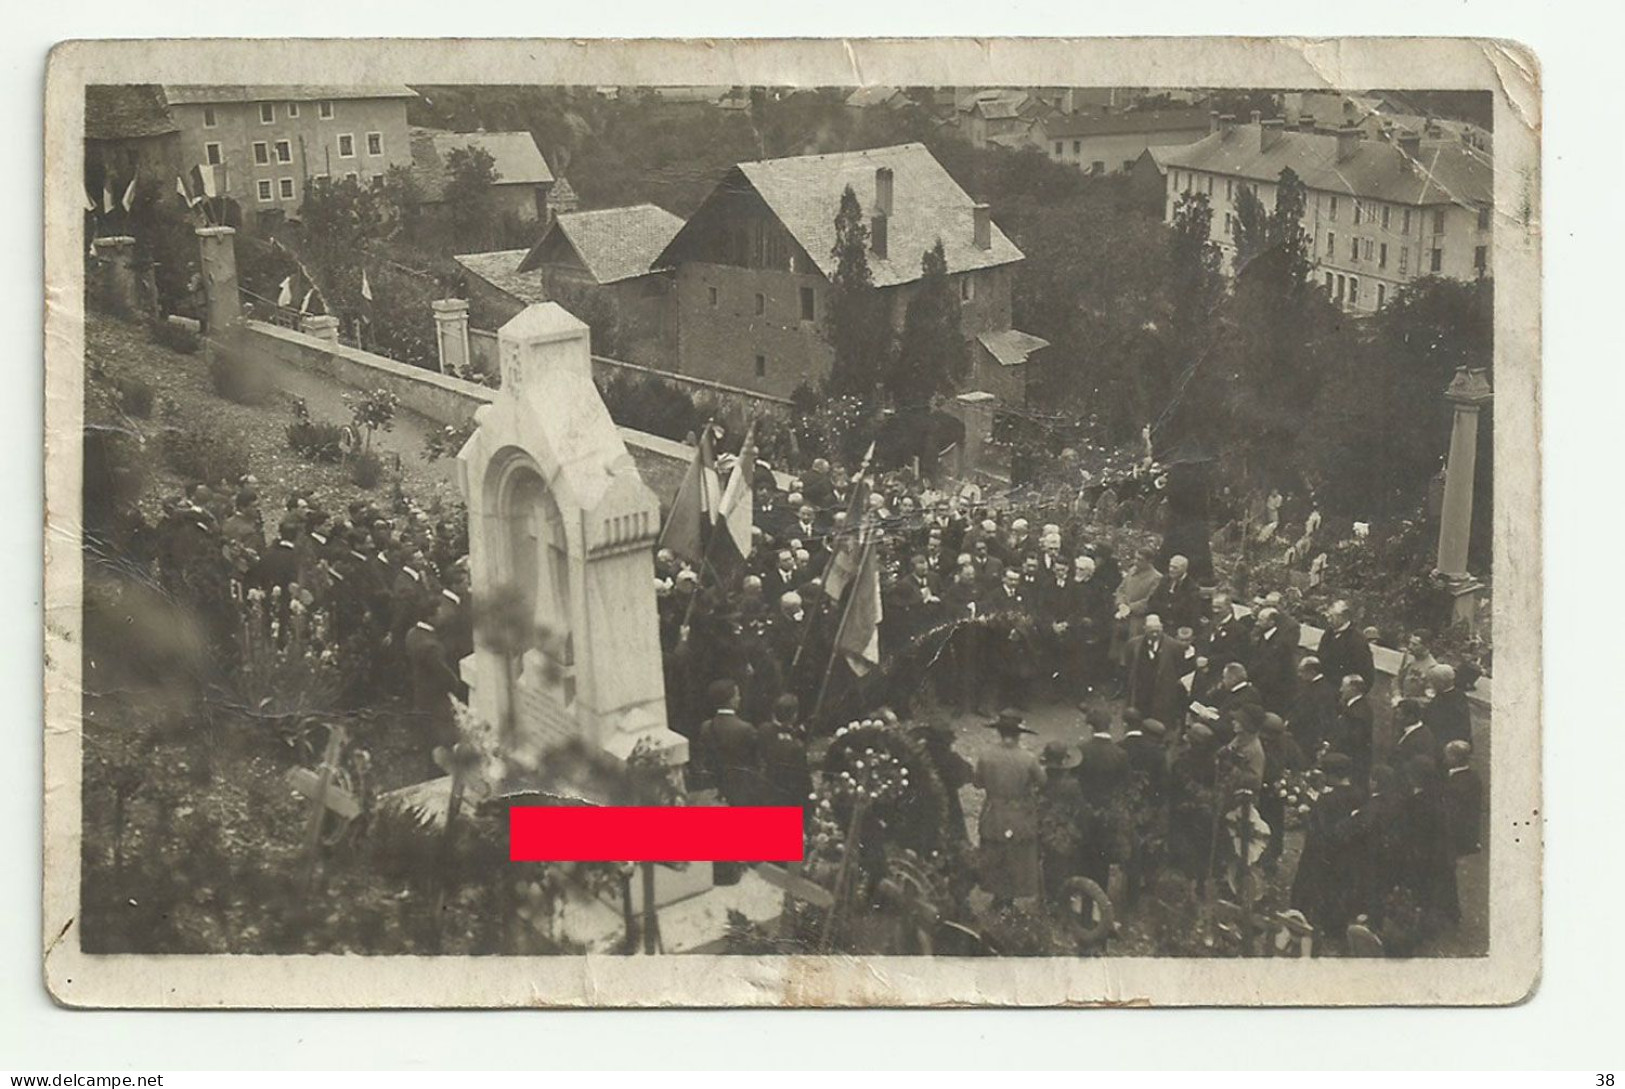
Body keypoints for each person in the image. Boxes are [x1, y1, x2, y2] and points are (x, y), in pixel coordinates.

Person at [974, 711, 1045, 909]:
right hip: (1019, 812)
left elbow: (978, 783)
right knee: (1016, 854)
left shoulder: (986, 755)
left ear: (999, 732)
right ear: (1019, 734)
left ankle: (998, 895)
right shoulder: (1028, 758)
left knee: (995, 851)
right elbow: (1042, 781)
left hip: (993, 811)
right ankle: (1010, 897)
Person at [1291, 752, 1362, 940]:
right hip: (1347, 852)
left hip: (1322, 853)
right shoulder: (1358, 794)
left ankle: (1308, 918)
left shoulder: (1327, 800)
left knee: (1314, 886)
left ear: (1332, 775)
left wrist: (1305, 813)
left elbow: (1317, 830)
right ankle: (1337, 925)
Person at [1037, 740, 1086, 905]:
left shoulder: (1041, 782)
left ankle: (1050, 899)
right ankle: (1065, 901)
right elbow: (1080, 811)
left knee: (1049, 866)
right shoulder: (1072, 785)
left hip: (1046, 831)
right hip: (1066, 833)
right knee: (1066, 867)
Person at [697, 679, 760, 806]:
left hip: (718, 785)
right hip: (742, 787)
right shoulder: (746, 728)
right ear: (730, 700)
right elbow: (756, 760)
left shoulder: (706, 727)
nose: (739, 698)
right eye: (737, 695)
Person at [1124, 614, 1189, 729]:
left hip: (1163, 692)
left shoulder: (1174, 646)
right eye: (1151, 631)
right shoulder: (1133, 645)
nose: (1154, 634)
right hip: (1141, 691)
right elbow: (1130, 666)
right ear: (1144, 628)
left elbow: (1179, 668)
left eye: (1157, 630)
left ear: (1162, 628)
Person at [757, 694, 814, 819]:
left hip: (765, 790)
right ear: (794, 716)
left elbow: (777, 736)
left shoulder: (763, 729)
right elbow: (804, 782)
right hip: (786, 797)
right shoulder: (796, 747)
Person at [1249, 606, 1299, 714]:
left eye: (1261, 620)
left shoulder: (1280, 643)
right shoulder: (1263, 637)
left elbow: (1271, 670)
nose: (1257, 623)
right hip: (1263, 685)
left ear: (1271, 622)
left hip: (1275, 692)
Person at [1288, 655, 1338, 758]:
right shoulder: (1317, 687)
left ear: (1312, 671)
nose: (1299, 675)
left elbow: (1316, 716)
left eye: (1301, 671)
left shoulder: (1320, 691)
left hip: (1307, 738)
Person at [1317, 600, 1375, 688]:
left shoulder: (1357, 640)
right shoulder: (1328, 634)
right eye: (1328, 616)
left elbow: (1365, 673)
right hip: (1324, 688)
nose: (1328, 620)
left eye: (1332, 617)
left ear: (1343, 617)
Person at [1441, 740, 1483, 859]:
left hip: (1460, 835)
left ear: (1455, 758)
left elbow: (1454, 812)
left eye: (1448, 755)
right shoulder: (1471, 776)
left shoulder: (1458, 783)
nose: (1445, 758)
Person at [1333, 674, 1376, 787]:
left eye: (1343, 687)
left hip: (1353, 762)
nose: (1341, 690)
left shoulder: (1358, 711)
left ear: (1353, 689)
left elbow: (1354, 740)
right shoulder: (1355, 707)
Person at [1148, 553, 1201, 633]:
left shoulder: (1191, 587)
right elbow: (1153, 601)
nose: (1171, 570)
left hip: (1178, 628)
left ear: (1184, 569)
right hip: (1161, 625)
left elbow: (1187, 611)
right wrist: (1168, 608)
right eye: (1170, 566)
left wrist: (1167, 607)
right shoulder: (1165, 580)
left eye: (1175, 568)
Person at [1423, 663, 1473, 748]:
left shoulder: (1445, 703)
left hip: (1445, 745)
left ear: (1441, 683)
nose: (1430, 684)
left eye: (1432, 681)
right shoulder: (1458, 695)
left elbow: (1435, 724)